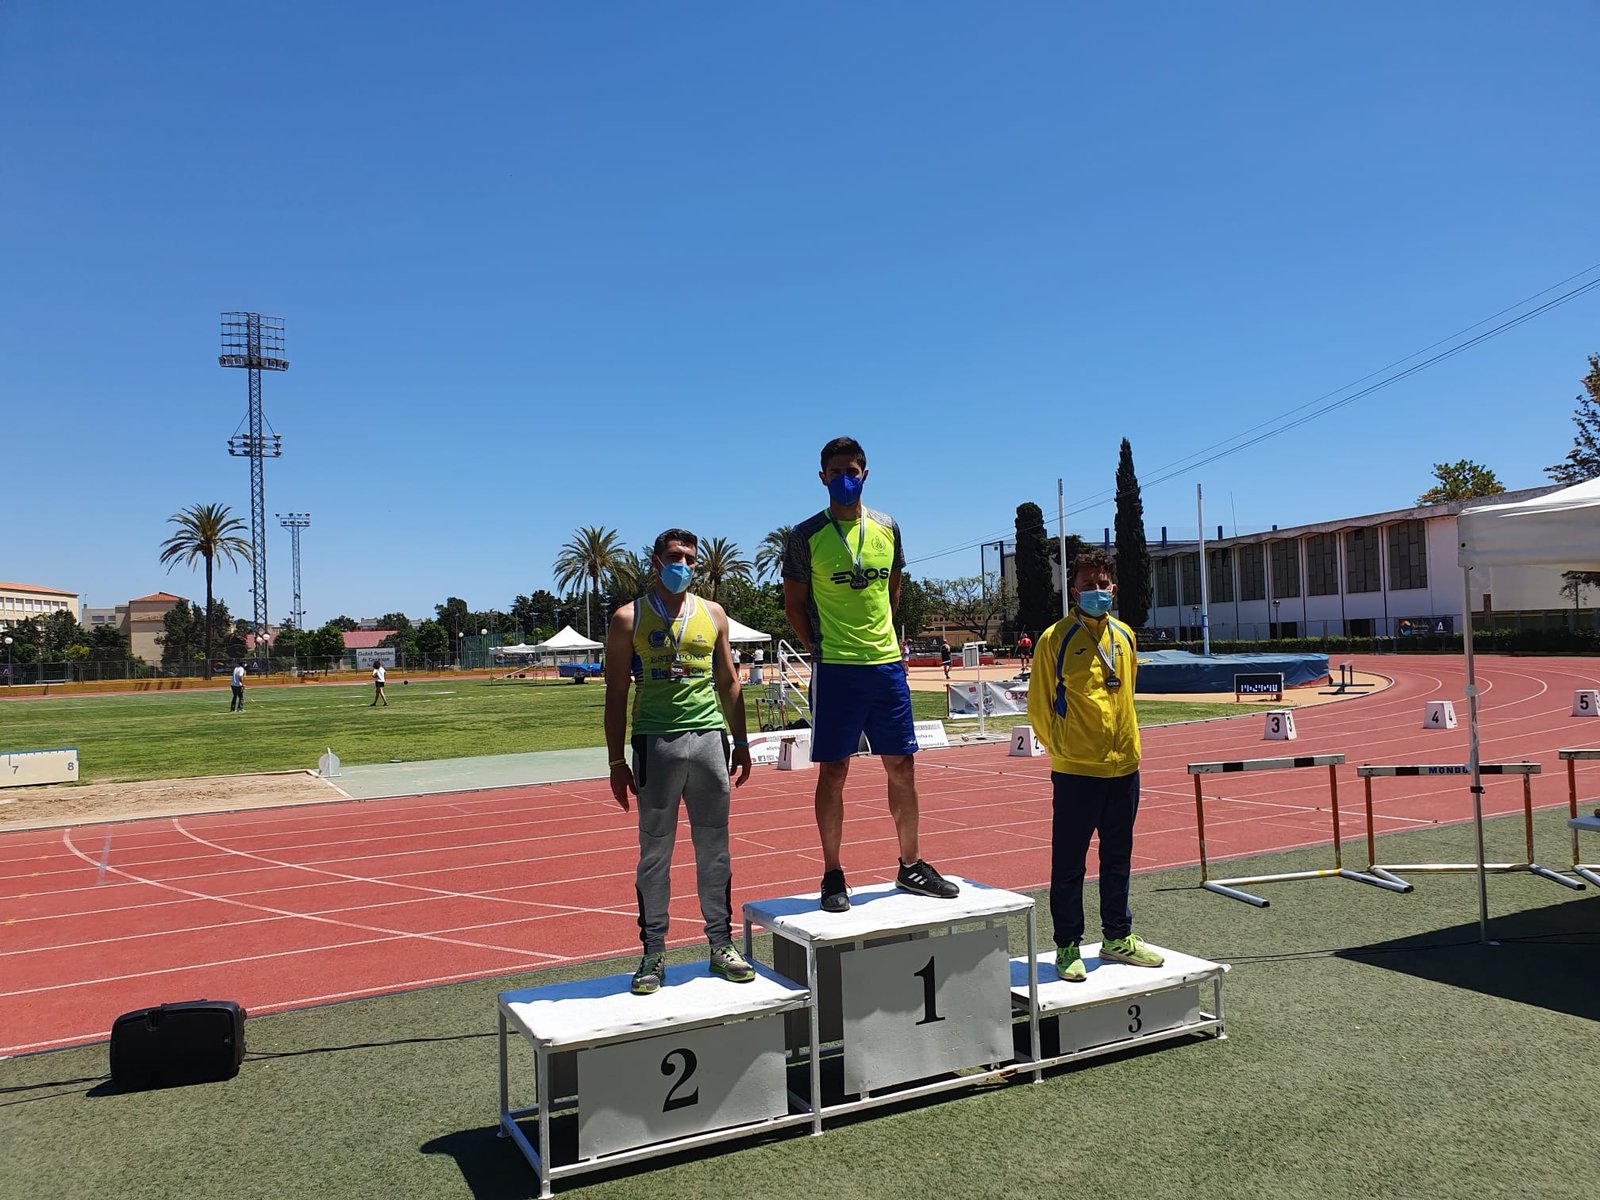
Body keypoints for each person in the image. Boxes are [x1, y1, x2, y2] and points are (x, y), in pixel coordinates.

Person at [783, 436, 959, 912]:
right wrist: (816, 647)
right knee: (834, 771)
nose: (845, 478)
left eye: (853, 470)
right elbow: (794, 605)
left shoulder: (888, 527)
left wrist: (882, 641)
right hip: (836, 669)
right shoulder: (805, 536)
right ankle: (833, 874)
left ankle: (911, 865)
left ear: (866, 473)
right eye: (836, 470)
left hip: (885, 667)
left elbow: (893, 592)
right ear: (822, 477)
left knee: (902, 766)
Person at [605, 528, 757, 995]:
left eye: (690, 559)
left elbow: (729, 681)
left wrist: (743, 741)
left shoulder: (712, 614)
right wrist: (615, 762)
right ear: (655, 561)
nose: (684, 566)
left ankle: (720, 945)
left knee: (716, 850)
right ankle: (653, 953)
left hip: (710, 741)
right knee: (655, 853)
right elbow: (615, 691)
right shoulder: (628, 618)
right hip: (656, 745)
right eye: (675, 557)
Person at [1027, 548, 1163, 982]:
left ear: (1114, 588)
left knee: (1118, 857)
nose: (1097, 592)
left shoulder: (1125, 636)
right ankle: (1067, 945)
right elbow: (1039, 706)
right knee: (1069, 862)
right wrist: (1064, 748)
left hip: (1125, 766)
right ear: (1073, 590)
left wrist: (1123, 746)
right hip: (1076, 770)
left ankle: (1117, 937)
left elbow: (1126, 692)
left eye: (1103, 585)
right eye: (1088, 586)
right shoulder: (1054, 638)